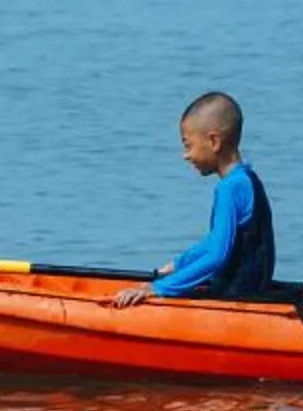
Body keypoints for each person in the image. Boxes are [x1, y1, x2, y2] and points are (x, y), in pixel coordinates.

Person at [111, 92, 274, 307]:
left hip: (238, 298)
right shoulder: (246, 179)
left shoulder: (231, 188)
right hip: (242, 289)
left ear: (214, 141)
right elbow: (215, 240)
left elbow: (217, 256)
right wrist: (179, 264)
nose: (185, 155)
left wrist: (157, 288)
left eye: (188, 145)